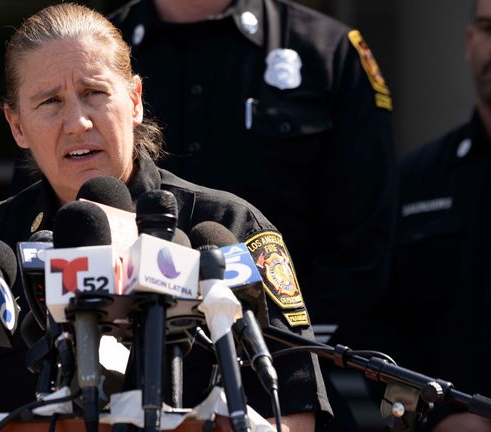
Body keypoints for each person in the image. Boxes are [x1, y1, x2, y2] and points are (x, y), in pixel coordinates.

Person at [0, 4, 331, 430]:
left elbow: (293, 416)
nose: (77, 121)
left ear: (134, 100)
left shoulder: (226, 228)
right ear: (17, 125)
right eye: (50, 102)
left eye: (94, 93)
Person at [106, 0, 397, 343]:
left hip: (279, 353)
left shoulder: (328, 51)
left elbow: (363, 234)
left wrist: (300, 349)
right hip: (124, 350)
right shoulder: (97, 51)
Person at [381, 1, 491, 430]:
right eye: (487, 28)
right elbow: (380, 322)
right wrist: (438, 417)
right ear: (469, 43)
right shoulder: (417, 179)